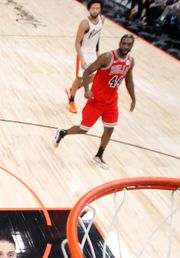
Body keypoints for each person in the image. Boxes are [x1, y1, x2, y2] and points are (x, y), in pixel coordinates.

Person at [54, 34, 137, 170]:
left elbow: (129, 81)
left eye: (129, 44)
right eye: (124, 43)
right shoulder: (107, 57)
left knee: (110, 129)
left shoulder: (130, 61)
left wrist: (133, 98)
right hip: (96, 101)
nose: (126, 46)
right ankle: (63, 133)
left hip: (111, 103)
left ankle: (99, 156)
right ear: (119, 43)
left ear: (132, 46)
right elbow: (87, 72)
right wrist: (87, 89)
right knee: (83, 130)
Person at [66, 0, 103, 114]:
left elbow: (97, 38)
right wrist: (82, 60)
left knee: (95, 76)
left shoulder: (102, 20)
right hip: (83, 53)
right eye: (93, 8)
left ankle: (72, 90)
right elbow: (77, 43)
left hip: (92, 53)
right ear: (89, 8)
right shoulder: (84, 23)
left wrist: (98, 54)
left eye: (97, 8)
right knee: (80, 78)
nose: (95, 10)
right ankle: (71, 100)